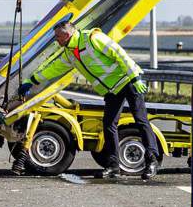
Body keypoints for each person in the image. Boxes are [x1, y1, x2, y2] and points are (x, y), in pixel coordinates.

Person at [25, 18, 160, 178]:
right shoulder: (70, 53)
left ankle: (152, 161)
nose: (56, 40)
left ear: (67, 35)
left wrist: (135, 77)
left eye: (58, 37)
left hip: (128, 81)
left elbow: (118, 53)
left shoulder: (92, 38)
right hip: (112, 89)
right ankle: (113, 166)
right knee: (109, 125)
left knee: (140, 120)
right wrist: (32, 80)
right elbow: (54, 68)